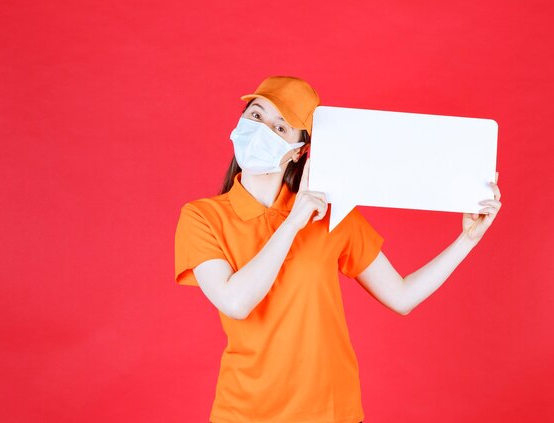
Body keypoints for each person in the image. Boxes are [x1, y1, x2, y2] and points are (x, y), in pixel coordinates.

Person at [174, 76, 502, 423]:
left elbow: (402, 296)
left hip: (332, 412)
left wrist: (467, 240)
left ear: (300, 150)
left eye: (281, 126)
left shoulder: (332, 214)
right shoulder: (202, 217)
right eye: (256, 116)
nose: (263, 130)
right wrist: (293, 222)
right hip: (245, 413)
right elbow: (236, 302)